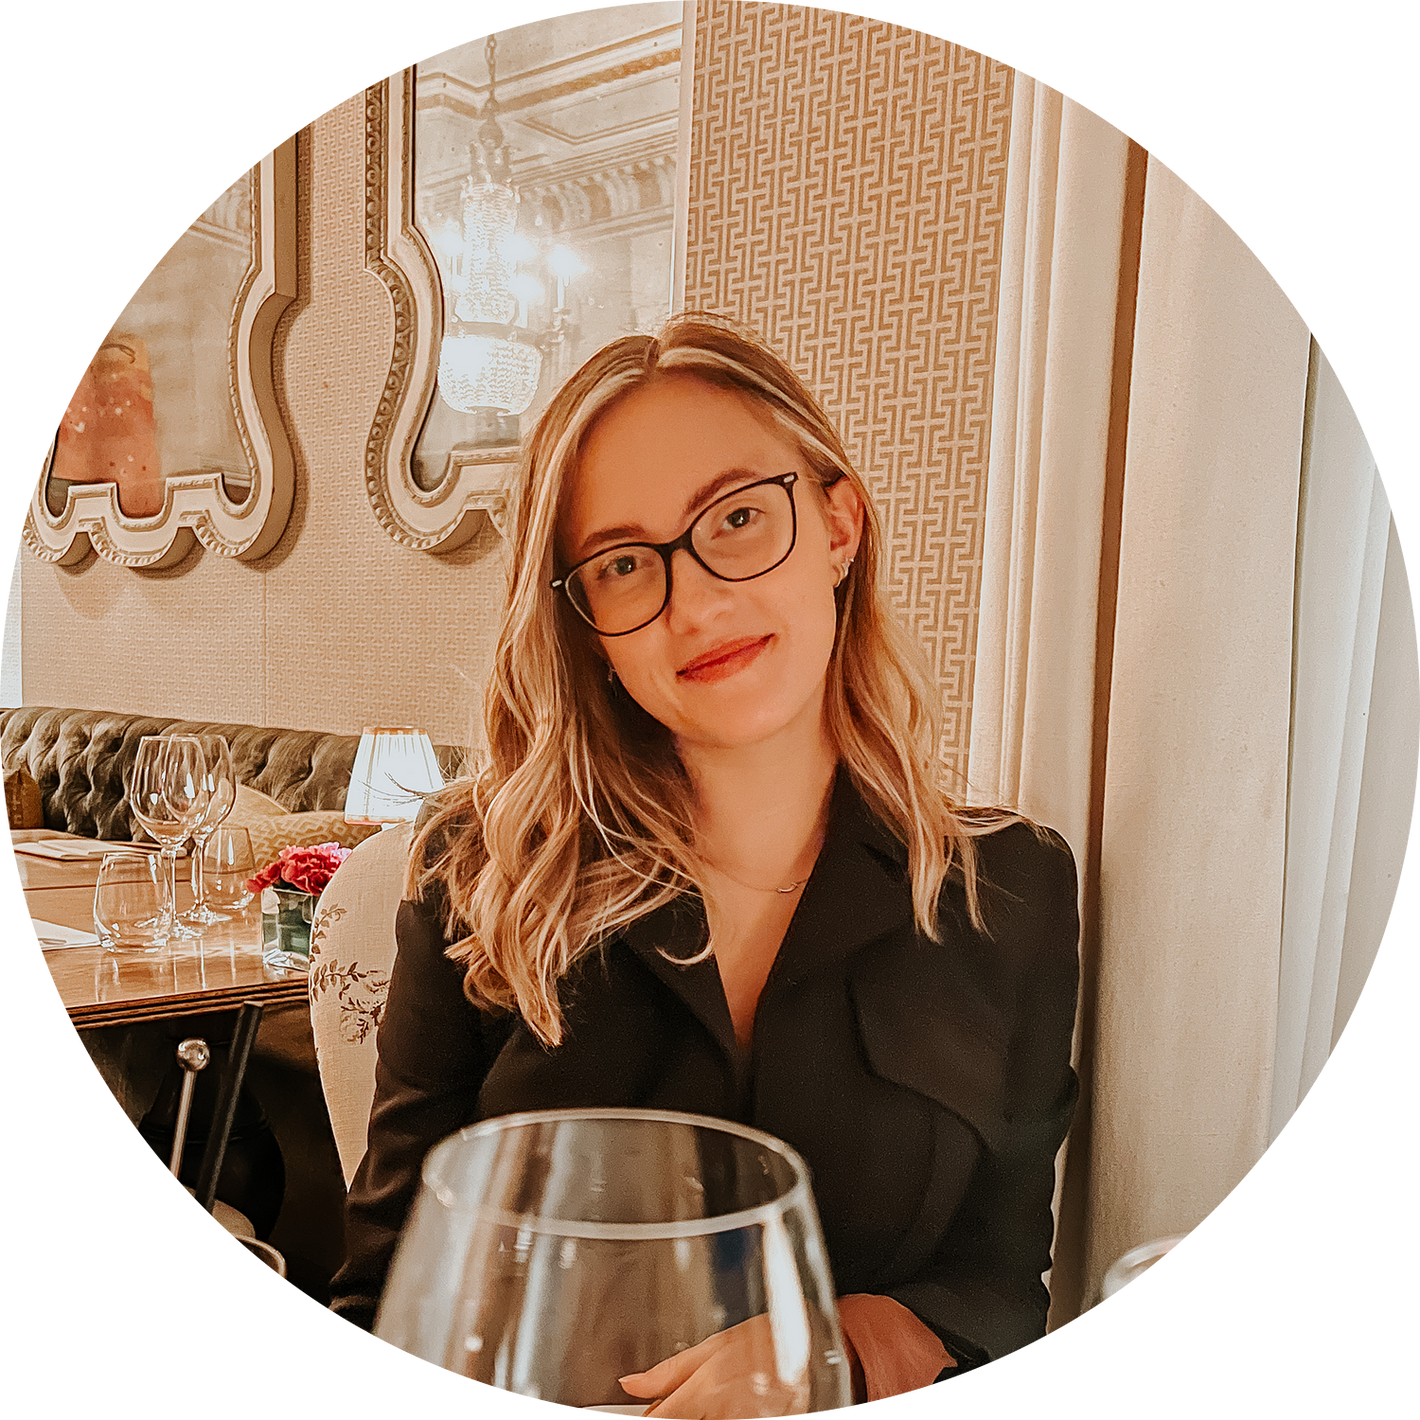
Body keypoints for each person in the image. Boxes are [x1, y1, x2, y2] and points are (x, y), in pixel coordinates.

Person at [329, 313, 1080, 1410]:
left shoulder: (1009, 887)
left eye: (737, 517)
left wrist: (835, 1350)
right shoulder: (479, 874)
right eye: (625, 563)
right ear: (586, 621)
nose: (697, 602)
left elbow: (1001, 1291)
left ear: (838, 524)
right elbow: (386, 1291)